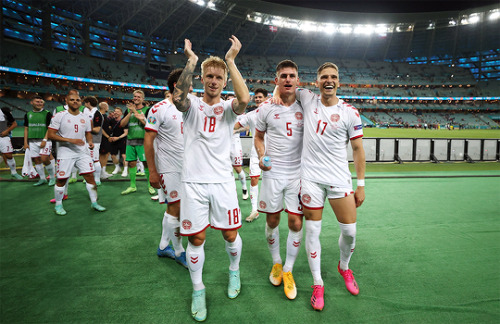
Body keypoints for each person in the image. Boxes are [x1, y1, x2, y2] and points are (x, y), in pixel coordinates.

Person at [173, 36, 250, 322]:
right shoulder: (191, 104)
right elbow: (178, 98)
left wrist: (230, 60)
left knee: (230, 235)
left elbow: (244, 100)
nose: (214, 81)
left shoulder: (229, 108)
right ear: (202, 78)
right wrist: (191, 61)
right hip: (192, 183)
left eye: (219, 77)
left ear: (225, 80)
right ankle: (198, 288)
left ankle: (234, 271)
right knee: (197, 238)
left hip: (222, 183)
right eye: (209, 76)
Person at [295, 62, 366, 311]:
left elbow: (358, 149)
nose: (329, 80)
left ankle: (344, 267)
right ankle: (317, 283)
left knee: (350, 232)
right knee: (312, 232)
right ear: (316, 82)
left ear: (339, 82)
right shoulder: (306, 98)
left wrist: (361, 185)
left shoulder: (350, 112)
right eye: (324, 76)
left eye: (333, 77)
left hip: (339, 179)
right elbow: (284, 85)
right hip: (311, 179)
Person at [254, 60, 304, 300]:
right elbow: (258, 137)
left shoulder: (307, 106)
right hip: (272, 173)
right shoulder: (266, 108)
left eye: (291, 75)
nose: (287, 79)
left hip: (298, 173)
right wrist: (262, 156)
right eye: (283, 75)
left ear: (297, 80)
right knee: (273, 220)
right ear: (276, 81)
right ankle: (276, 262)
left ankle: (288, 270)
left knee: (295, 223)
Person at [144, 68, 188, 267]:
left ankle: (163, 246)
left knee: (177, 208)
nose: (192, 87)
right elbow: (148, 140)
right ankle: (179, 250)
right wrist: (152, 170)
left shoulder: (190, 107)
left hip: (189, 167)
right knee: (176, 208)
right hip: (169, 167)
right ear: (176, 86)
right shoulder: (159, 108)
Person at [47, 93, 106, 216]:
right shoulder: (59, 116)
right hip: (65, 153)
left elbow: (88, 133)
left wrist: (89, 142)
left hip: (82, 152)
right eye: (72, 100)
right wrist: (70, 140)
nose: (75, 102)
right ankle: (58, 205)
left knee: (90, 176)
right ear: (66, 101)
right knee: (62, 179)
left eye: (78, 100)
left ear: (81, 102)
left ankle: (94, 202)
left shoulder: (86, 117)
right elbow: (51, 135)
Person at [236, 88, 268, 222]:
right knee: (254, 179)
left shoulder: (273, 112)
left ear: (266, 98)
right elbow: (235, 125)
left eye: (260, 97)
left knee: (273, 182)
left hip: (273, 152)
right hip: (255, 153)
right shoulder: (251, 115)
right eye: (256, 97)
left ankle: (274, 208)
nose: (258, 99)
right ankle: (255, 210)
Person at [119, 90, 155, 195]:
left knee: (146, 164)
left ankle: (150, 186)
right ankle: (133, 186)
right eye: (135, 96)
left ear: (143, 99)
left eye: (139, 97)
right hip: (130, 141)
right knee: (131, 163)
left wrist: (136, 113)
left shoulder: (148, 110)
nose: (136, 98)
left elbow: (150, 126)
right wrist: (130, 112)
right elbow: (122, 124)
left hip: (144, 141)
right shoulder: (128, 110)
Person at [23, 95, 56, 186]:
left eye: (41, 102)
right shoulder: (28, 114)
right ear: (32, 102)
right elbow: (26, 129)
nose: (39, 103)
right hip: (32, 141)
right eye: (37, 102)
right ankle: (42, 179)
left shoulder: (47, 113)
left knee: (44, 158)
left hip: (45, 140)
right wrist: (25, 142)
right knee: (36, 160)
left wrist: (45, 140)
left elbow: (50, 128)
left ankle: (52, 177)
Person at [82, 96, 104, 185]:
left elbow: (97, 130)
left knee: (95, 160)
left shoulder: (97, 113)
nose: (84, 105)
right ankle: (90, 177)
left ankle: (97, 179)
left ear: (88, 103)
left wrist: (85, 128)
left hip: (94, 140)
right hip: (86, 140)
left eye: (85, 103)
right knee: (88, 160)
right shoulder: (85, 112)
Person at [0, 106, 22, 179]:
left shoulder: (4, 112)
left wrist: (6, 131)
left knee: (9, 155)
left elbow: (14, 124)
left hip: (3, 138)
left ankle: (14, 172)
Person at [106, 107, 128, 177]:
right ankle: (117, 167)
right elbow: (108, 129)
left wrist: (118, 138)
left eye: (118, 111)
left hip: (122, 140)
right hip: (113, 140)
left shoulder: (124, 121)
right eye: (115, 111)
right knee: (113, 156)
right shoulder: (111, 121)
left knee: (124, 155)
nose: (116, 112)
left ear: (121, 113)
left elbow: (126, 133)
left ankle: (125, 170)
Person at [97, 102, 113, 179]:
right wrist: (107, 136)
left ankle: (103, 171)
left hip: (106, 138)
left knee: (106, 154)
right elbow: (100, 128)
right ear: (104, 107)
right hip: (103, 138)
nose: (108, 108)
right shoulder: (100, 115)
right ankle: (100, 173)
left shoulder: (104, 116)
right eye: (107, 106)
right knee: (102, 155)